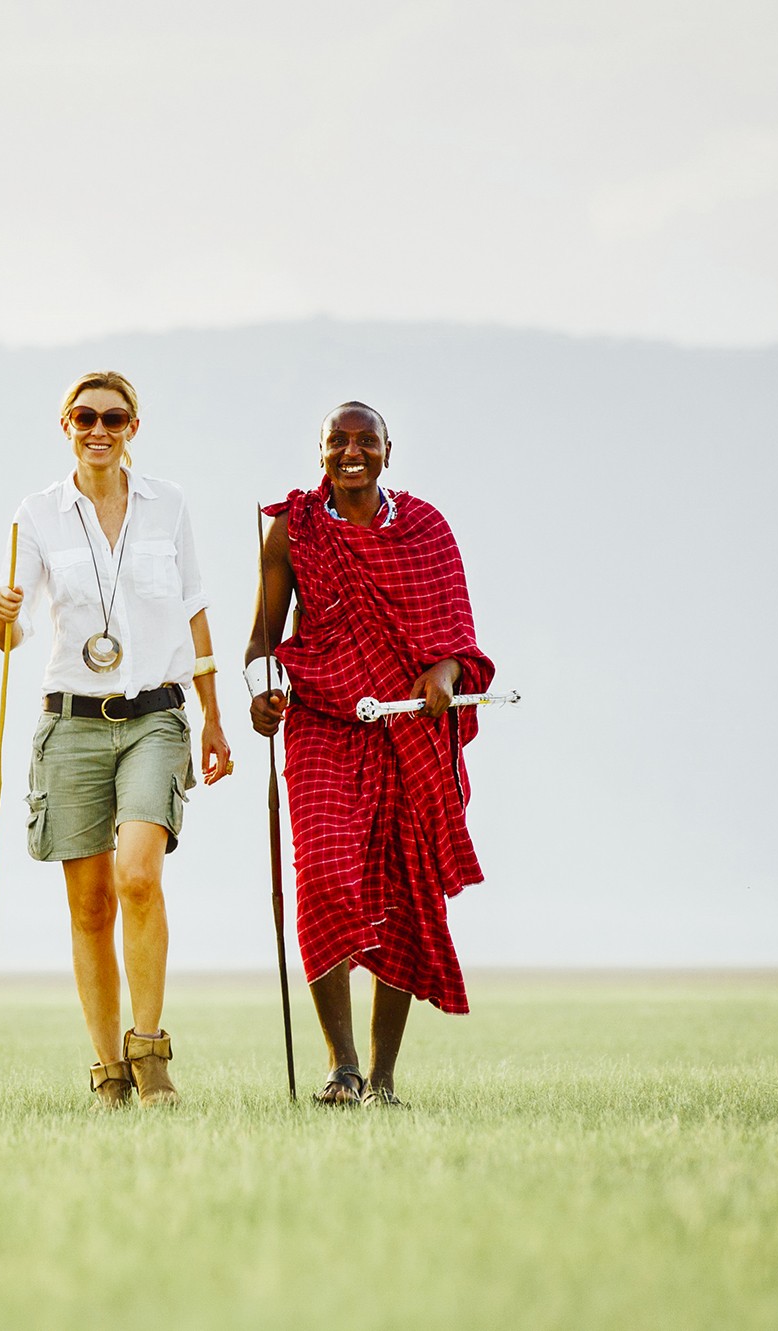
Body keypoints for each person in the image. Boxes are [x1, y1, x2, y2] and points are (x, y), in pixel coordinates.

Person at [0, 370, 232, 1109]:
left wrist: (213, 717)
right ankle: (108, 1072)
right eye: (86, 416)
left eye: (115, 417)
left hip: (155, 714)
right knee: (89, 904)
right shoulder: (37, 513)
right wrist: (1, 615)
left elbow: (194, 613)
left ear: (133, 427)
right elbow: (14, 629)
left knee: (138, 875)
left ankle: (150, 1050)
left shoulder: (170, 506)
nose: (100, 429)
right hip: (70, 722)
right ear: (65, 424)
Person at [245, 401, 495, 1106]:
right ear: (319, 451)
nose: (351, 452)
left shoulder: (426, 529)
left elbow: (458, 642)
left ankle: (382, 1081)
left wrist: (443, 677)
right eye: (338, 441)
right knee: (322, 875)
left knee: (403, 897)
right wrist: (264, 692)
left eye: (366, 441)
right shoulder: (293, 529)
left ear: (389, 450)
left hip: (409, 727)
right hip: (322, 720)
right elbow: (261, 643)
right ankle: (342, 1067)